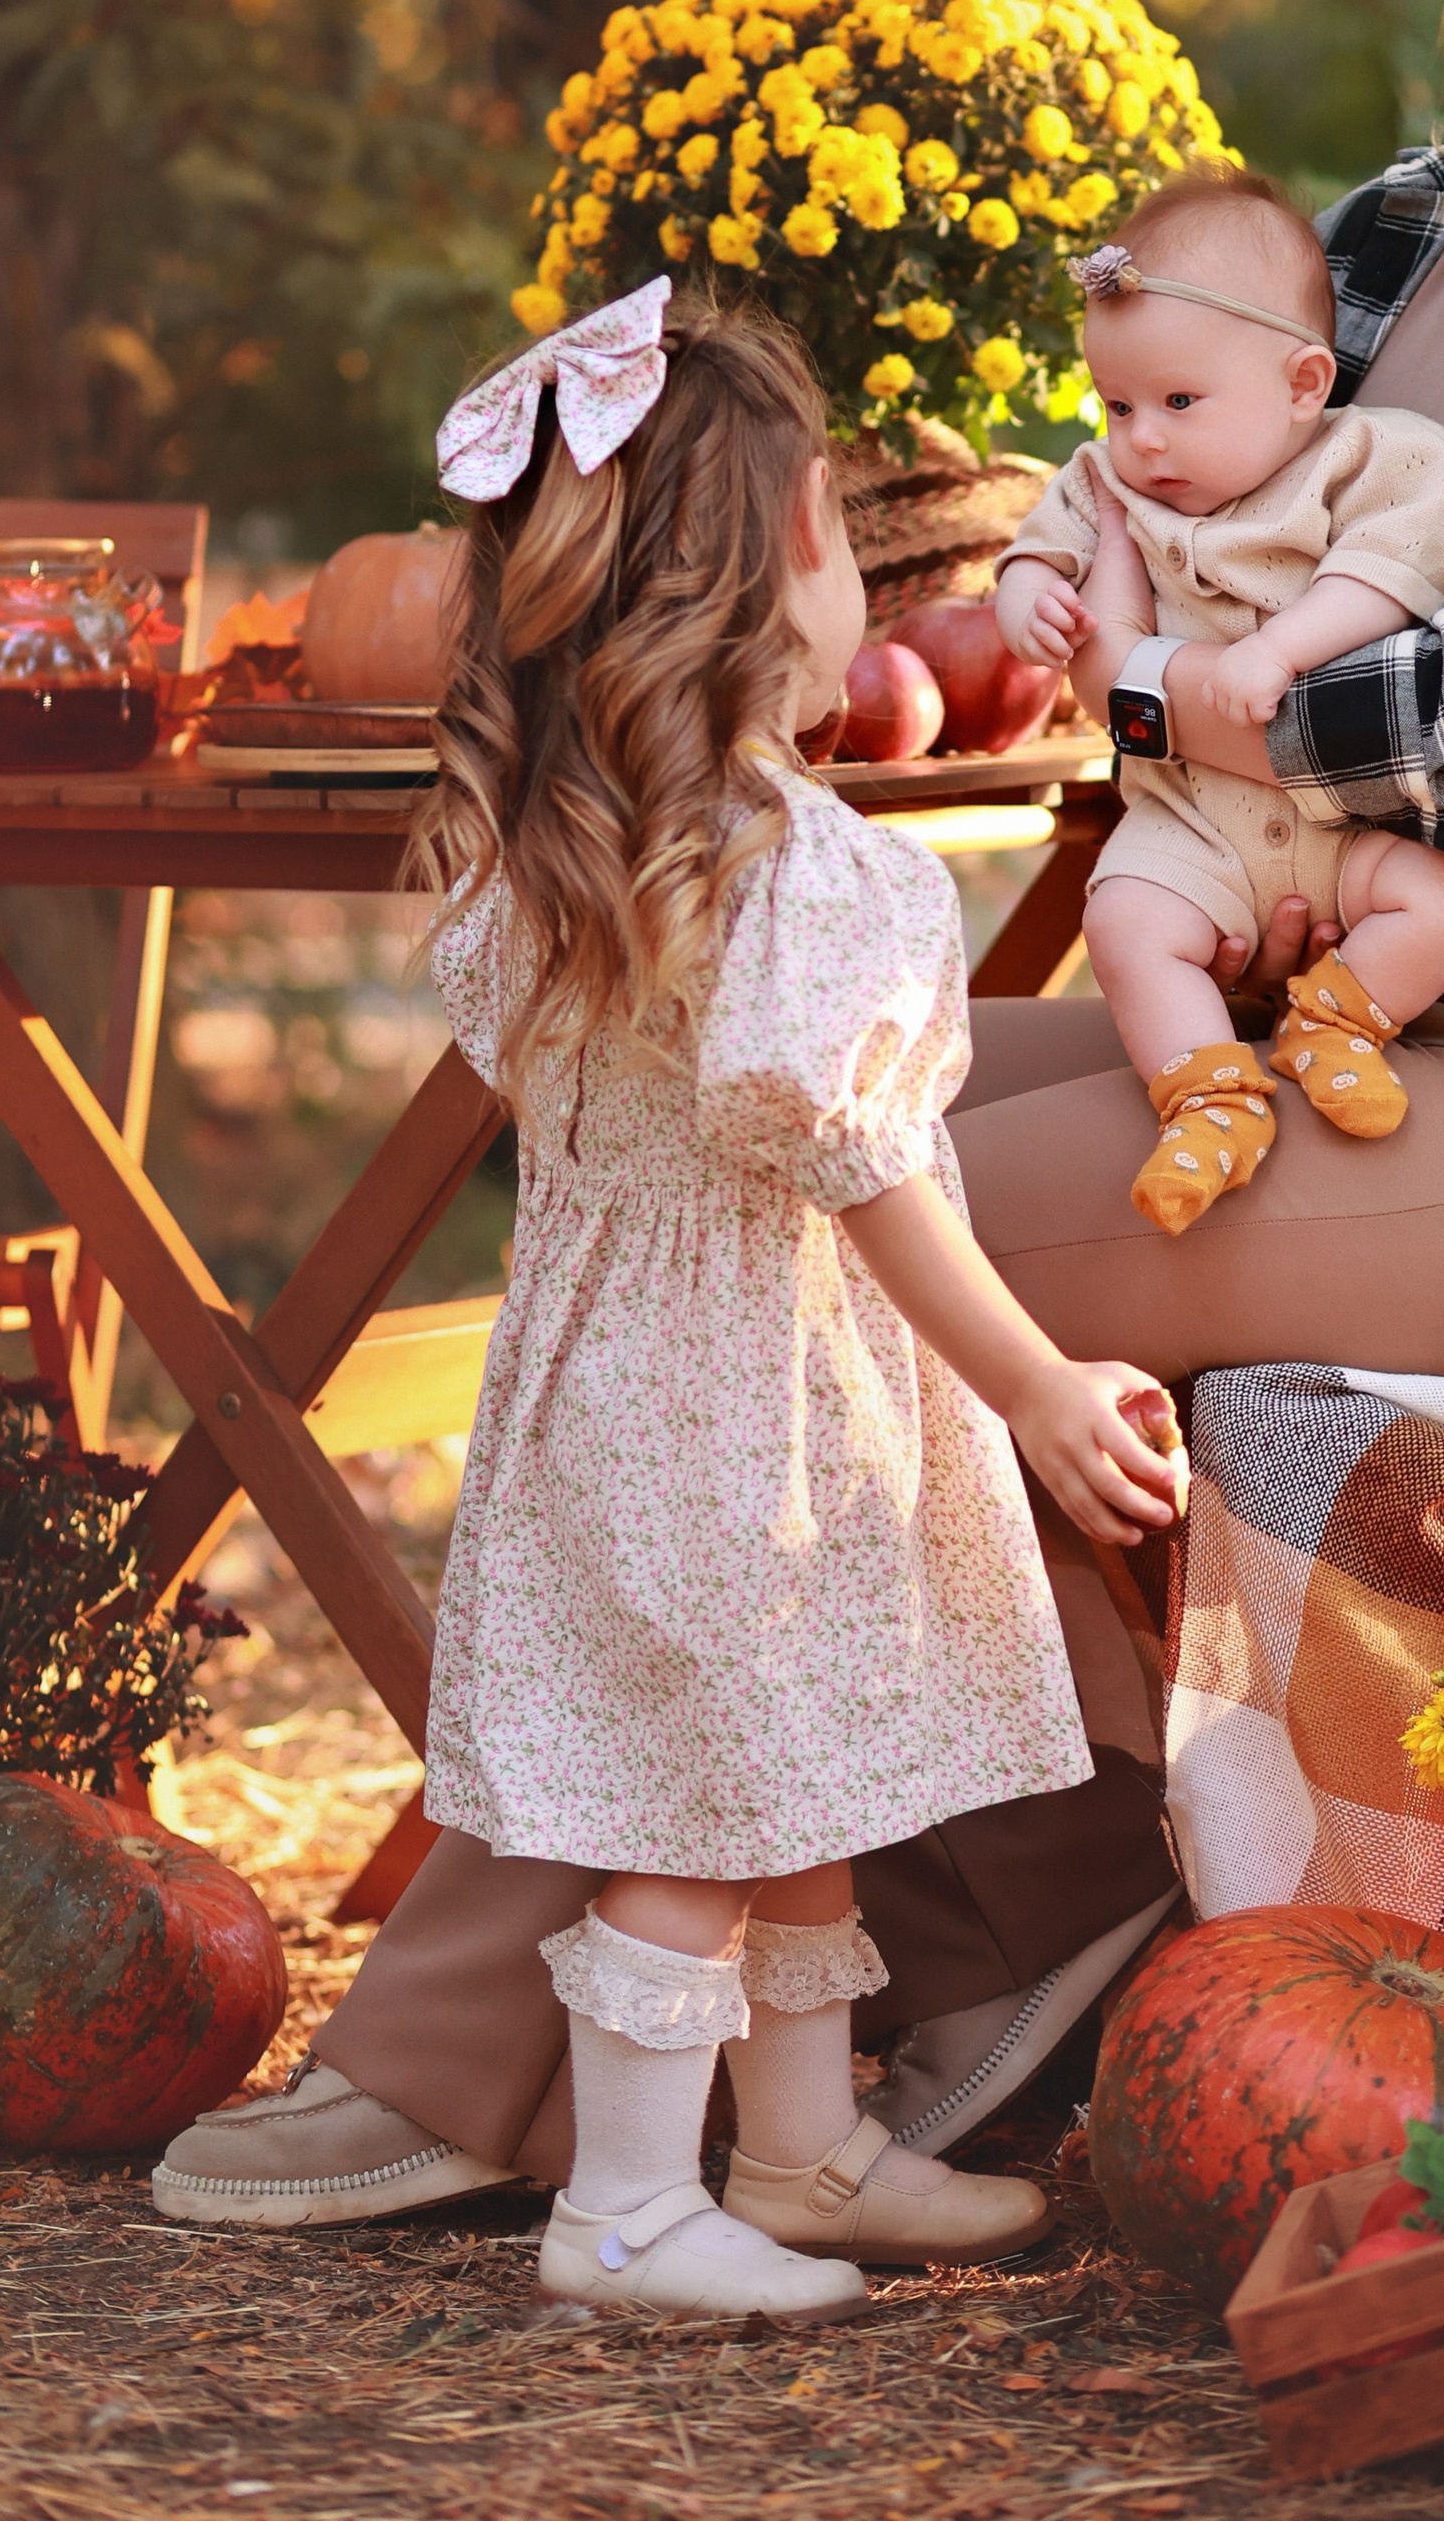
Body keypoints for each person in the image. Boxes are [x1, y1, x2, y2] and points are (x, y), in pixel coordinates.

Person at [158, 0, 1444, 2224]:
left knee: (783, 1248)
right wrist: (1062, 587)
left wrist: (1173, 687)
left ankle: (478, 2055)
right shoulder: (1395, 228)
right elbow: (1153, 527)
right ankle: (1008, 1894)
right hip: (1281, 1016)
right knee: (706, 1139)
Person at [153, 281, 1184, 2320]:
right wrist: (1038, 1386)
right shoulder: (805, 871)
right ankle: (624, 2206)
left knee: (790, 1772)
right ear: (794, 552)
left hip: (620, 1385)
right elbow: (865, 1172)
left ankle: (796, 2150)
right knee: (701, 1813)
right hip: (753, 1415)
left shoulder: (571, 848)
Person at [996, 169, 1444, 1226]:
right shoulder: (1108, 480)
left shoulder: (1375, 460)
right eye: (1118, 403)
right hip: (1194, 826)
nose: (1142, 436)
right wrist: (1027, 600)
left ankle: (1338, 1022)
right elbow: (1038, 551)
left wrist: (1280, 648)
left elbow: (1386, 576)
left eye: (1178, 402)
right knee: (1124, 921)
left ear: (1303, 383)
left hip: (1351, 829)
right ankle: (1209, 1096)